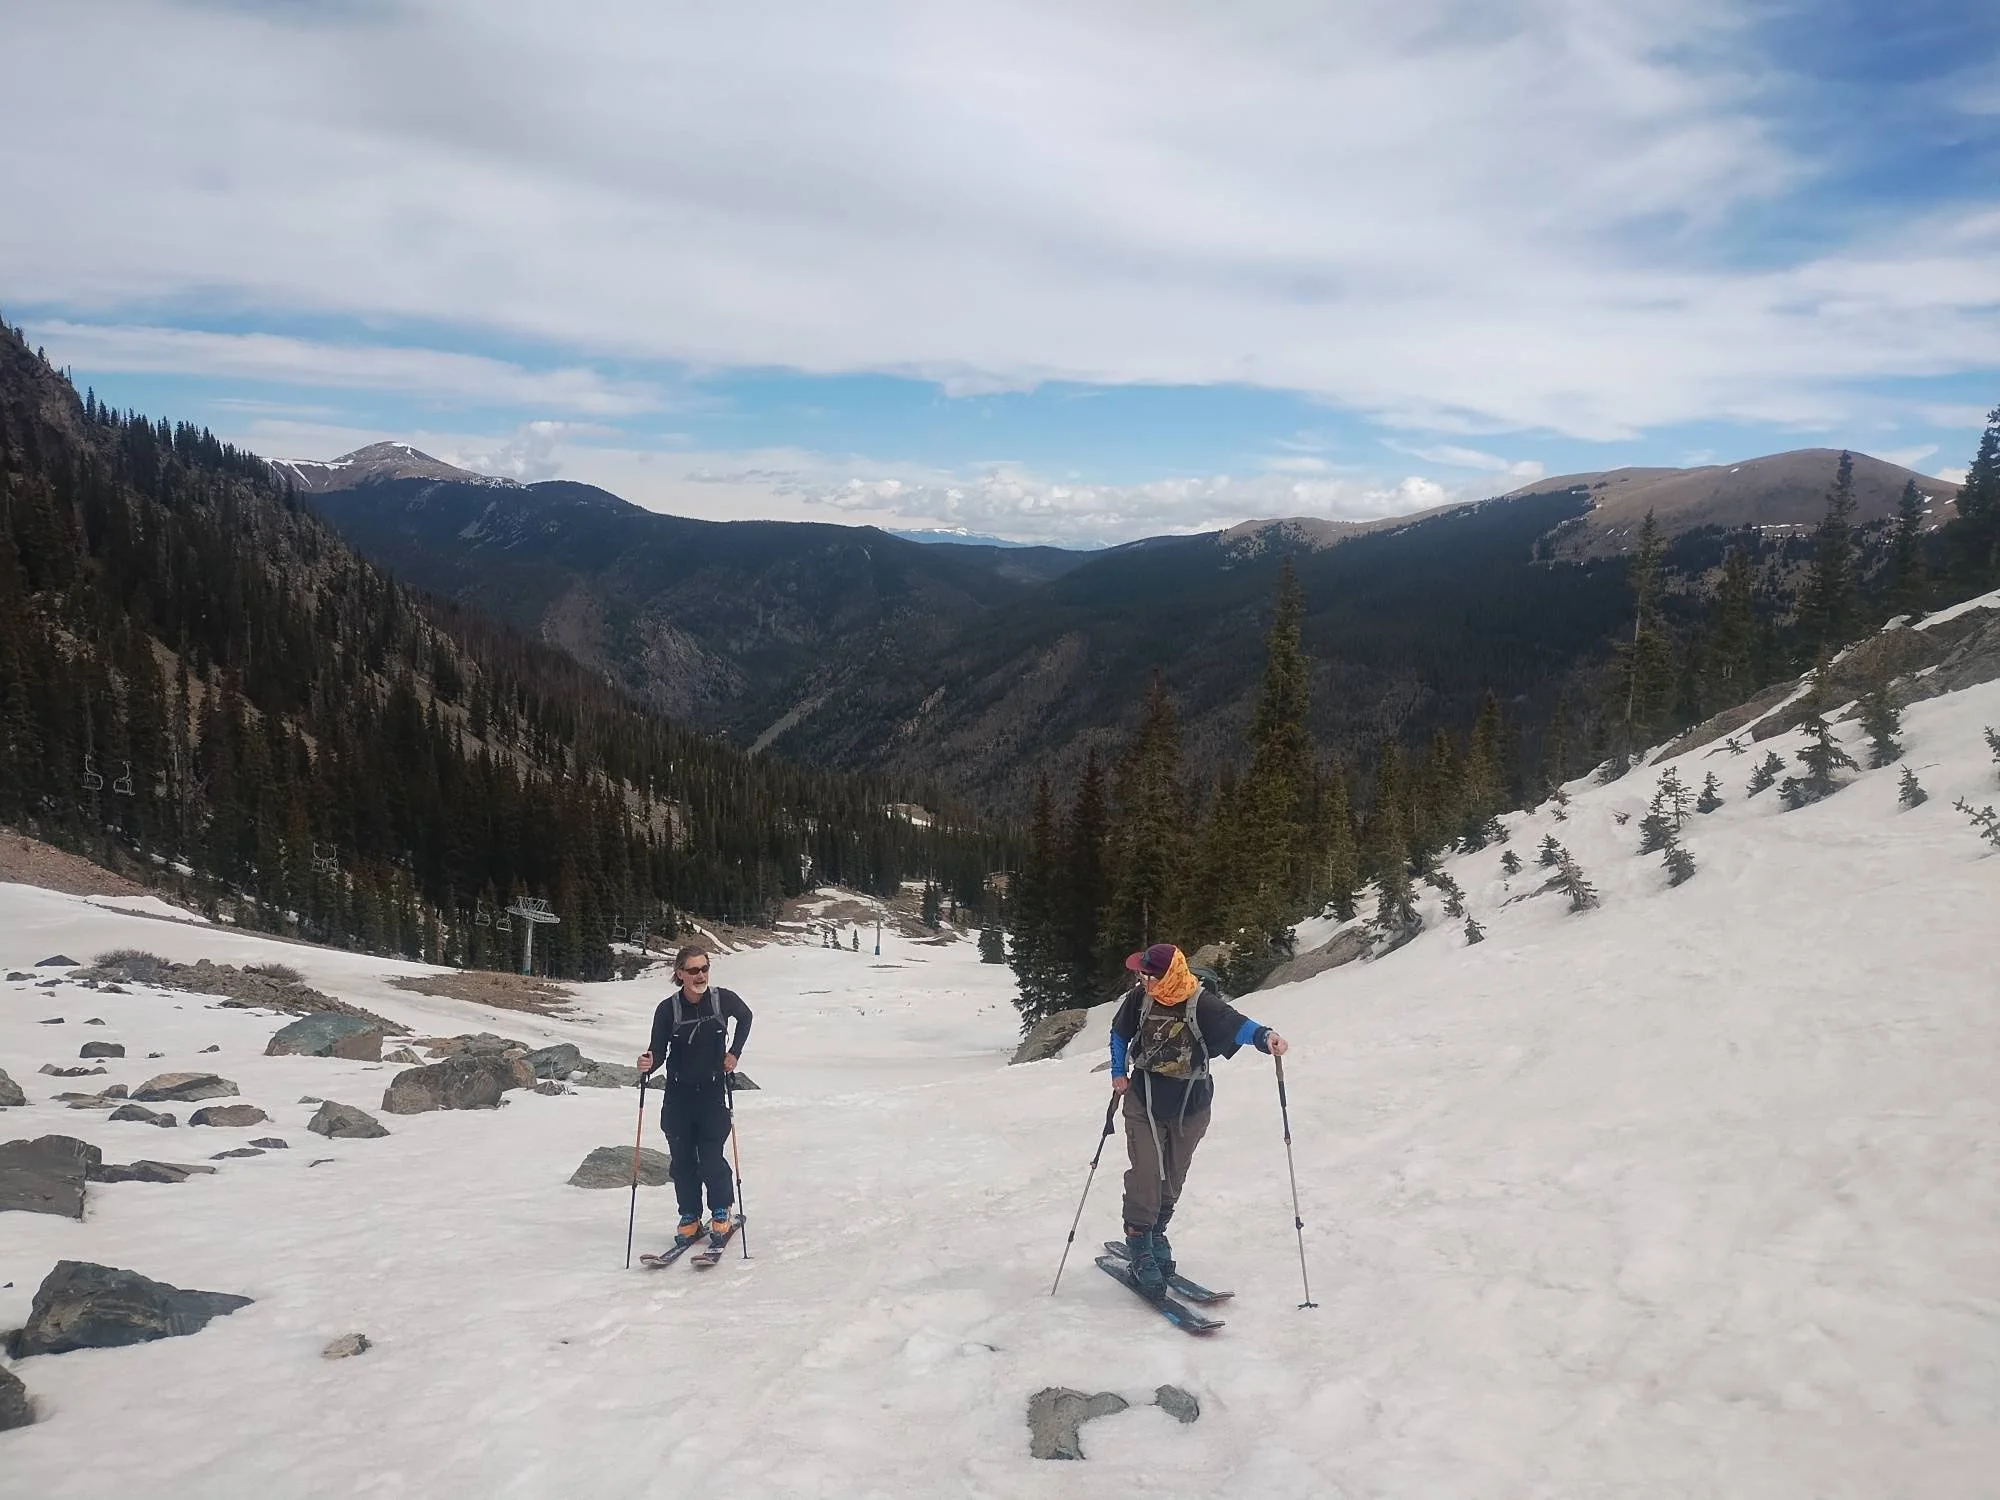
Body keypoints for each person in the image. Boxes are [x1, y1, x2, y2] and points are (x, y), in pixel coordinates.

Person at [1109, 942, 1288, 1298]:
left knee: (1173, 1174)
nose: (1140, 978)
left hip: (1191, 1105)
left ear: (1165, 976)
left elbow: (1237, 1025)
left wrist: (1266, 1038)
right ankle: (1140, 1244)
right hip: (1142, 1099)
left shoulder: (1199, 1003)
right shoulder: (1139, 999)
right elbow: (1119, 1033)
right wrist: (1118, 1070)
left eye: (1146, 973)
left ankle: (1157, 1232)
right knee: (1146, 1172)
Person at [636, 944, 754, 1249]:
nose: (700, 975)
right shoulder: (667, 1009)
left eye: (704, 968)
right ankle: (689, 1216)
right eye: (693, 970)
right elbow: (658, 1049)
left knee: (711, 1157)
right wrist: (649, 1062)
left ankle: (720, 1211)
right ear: (680, 974)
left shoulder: (722, 999)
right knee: (682, 1160)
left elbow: (746, 1016)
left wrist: (734, 1053)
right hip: (678, 1094)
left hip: (712, 1092)